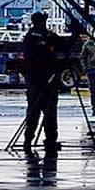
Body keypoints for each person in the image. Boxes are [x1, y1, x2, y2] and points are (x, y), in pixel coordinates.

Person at [21, 11, 69, 154]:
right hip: (36, 79)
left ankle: (50, 140)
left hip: (49, 79)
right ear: (37, 22)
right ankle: (28, 140)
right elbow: (33, 56)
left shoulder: (48, 36)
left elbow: (64, 45)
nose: (44, 24)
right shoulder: (31, 38)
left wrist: (75, 34)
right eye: (42, 21)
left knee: (50, 113)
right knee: (34, 111)